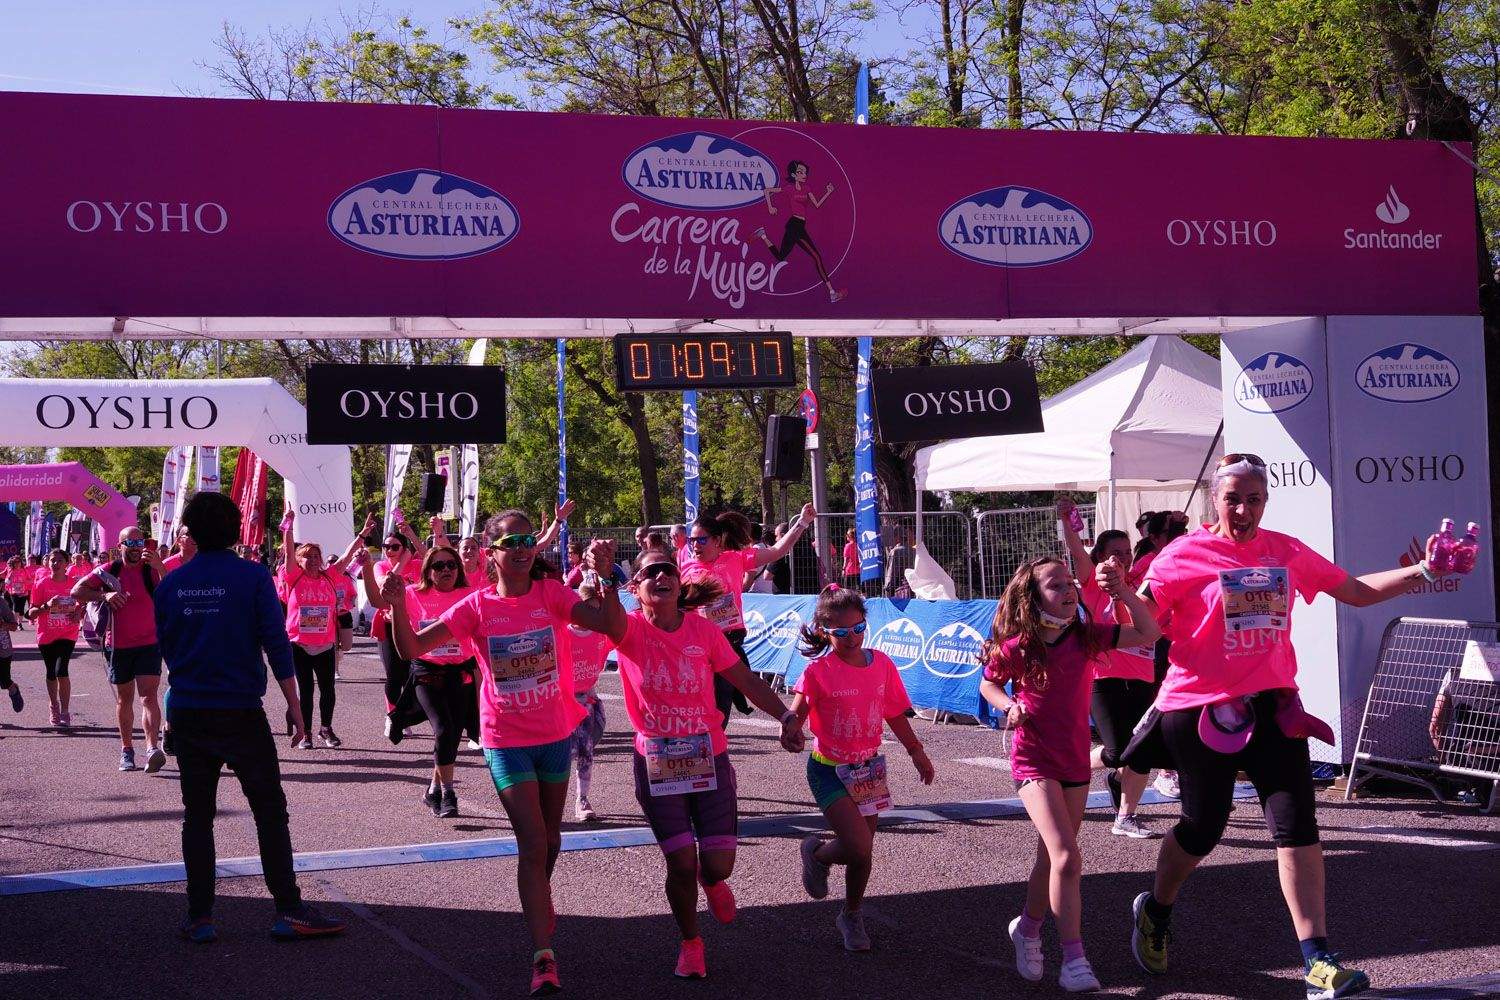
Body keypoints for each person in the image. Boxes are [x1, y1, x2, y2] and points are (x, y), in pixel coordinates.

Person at [1124, 453, 1452, 999]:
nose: (1243, 509)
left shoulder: (1284, 550)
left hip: (1275, 707)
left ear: (1265, 502)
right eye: (1232, 498)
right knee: (1204, 827)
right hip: (1199, 707)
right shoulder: (1184, 554)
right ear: (1214, 500)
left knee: (1297, 827)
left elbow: (1356, 590)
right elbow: (1146, 627)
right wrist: (1120, 597)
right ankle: (1156, 908)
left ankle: (1318, 961)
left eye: (1254, 499)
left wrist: (1424, 571)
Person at [383, 509, 618, 997]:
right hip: (506, 738)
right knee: (534, 844)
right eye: (511, 541)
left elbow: (609, 625)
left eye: (529, 539)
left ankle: (539, 898)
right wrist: (398, 605)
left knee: (551, 840)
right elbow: (412, 648)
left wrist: (604, 575)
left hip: (554, 733)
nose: (523, 548)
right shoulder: (476, 606)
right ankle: (542, 957)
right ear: (491, 553)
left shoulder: (551, 594)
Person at [593, 548, 804, 979]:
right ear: (638, 588)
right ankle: (691, 944)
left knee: (717, 864)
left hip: (708, 756)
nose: (660, 576)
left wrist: (785, 716)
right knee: (680, 863)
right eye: (649, 572)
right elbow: (610, 619)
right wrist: (605, 577)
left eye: (667, 569)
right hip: (656, 759)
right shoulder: (629, 629)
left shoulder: (704, 632)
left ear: (679, 583)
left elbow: (743, 679)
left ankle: (713, 882)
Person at [155, 491, 346, 945]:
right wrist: (296, 707)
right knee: (269, 811)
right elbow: (276, 644)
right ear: (235, 529)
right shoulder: (252, 577)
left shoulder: (170, 584)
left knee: (196, 816)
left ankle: (199, 916)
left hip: (190, 709)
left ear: (190, 532)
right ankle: (288, 909)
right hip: (241, 711)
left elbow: (168, 649)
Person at [979, 553, 1160, 992]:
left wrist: (1121, 592)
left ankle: (1027, 928)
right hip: (1033, 760)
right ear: (1033, 595)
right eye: (1055, 585)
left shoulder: (1086, 636)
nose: (1068, 591)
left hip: (1075, 760)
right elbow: (989, 683)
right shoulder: (1017, 645)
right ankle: (1074, 959)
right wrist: (1009, 706)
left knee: (1052, 856)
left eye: (1070, 584)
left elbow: (1149, 632)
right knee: (1066, 857)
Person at [791, 587, 933, 951]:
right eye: (840, 633)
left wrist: (916, 750)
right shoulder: (817, 672)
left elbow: (894, 714)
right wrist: (788, 731)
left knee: (863, 852)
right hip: (828, 770)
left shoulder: (881, 664)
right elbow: (795, 717)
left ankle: (851, 915)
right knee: (858, 844)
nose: (851, 638)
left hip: (869, 770)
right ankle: (818, 854)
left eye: (858, 628)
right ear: (825, 632)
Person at [1056, 499, 1159, 838]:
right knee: (1117, 751)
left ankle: (1125, 817)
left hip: (1143, 675)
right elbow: (1076, 551)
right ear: (1100, 556)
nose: (1123, 558)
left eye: (1127, 551)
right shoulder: (1092, 583)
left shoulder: (1140, 580)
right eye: (1115, 552)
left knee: (1141, 751)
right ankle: (1069, 767)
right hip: (1105, 677)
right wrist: (1067, 523)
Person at [681, 506, 817, 731]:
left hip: (729, 640)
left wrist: (802, 523)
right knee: (702, 699)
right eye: (691, 540)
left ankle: (714, 744)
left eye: (701, 540)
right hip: (700, 643)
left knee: (723, 697)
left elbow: (776, 551)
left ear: (716, 540)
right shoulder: (685, 567)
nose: (695, 545)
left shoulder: (735, 559)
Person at [366, 546, 477, 818]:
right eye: (439, 566)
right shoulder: (414, 594)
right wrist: (368, 568)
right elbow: (377, 601)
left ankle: (432, 789)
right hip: (427, 672)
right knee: (443, 729)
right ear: (428, 571)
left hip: (461, 672)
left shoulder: (470, 596)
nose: (447, 570)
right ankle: (449, 793)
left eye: (451, 565)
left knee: (451, 733)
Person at [72, 527, 168, 773]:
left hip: (149, 643)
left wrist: (160, 566)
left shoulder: (151, 570)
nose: (137, 546)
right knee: (125, 699)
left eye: (140, 541)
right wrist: (104, 596)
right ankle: (127, 750)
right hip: (118, 646)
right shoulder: (109, 571)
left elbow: (172, 593)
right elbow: (77, 591)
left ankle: (151, 748)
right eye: (131, 542)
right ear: (121, 545)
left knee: (149, 697)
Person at [279, 511, 348, 750]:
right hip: (299, 644)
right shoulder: (294, 577)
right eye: (307, 557)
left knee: (328, 689)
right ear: (299, 561)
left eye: (316, 556)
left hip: (326, 644)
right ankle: (306, 731)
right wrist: (288, 526)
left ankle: (325, 729)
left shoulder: (329, 577)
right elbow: (288, 551)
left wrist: (363, 535)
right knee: (306, 691)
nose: (313, 560)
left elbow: (346, 559)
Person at [364, 509, 428, 743]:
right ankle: (392, 715)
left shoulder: (418, 564)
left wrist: (411, 536)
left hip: (415, 628)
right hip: (389, 627)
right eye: (386, 547)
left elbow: (432, 556)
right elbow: (386, 585)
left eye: (394, 547)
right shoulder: (381, 566)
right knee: (394, 675)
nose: (388, 550)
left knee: (415, 673)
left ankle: (408, 713)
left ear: (403, 548)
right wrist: (402, 561)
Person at [752, 159, 845, 303]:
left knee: (781, 256)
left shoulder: (807, 188)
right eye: (800, 172)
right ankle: (832, 293)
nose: (804, 174)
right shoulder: (789, 188)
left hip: (798, 226)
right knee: (816, 257)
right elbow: (767, 190)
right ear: (794, 174)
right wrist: (770, 207)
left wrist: (828, 193)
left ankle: (763, 235)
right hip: (795, 225)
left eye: (805, 172)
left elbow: (817, 205)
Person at [567, 579, 611, 822]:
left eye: (597, 609)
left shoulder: (601, 635)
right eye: (588, 609)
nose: (592, 615)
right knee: (562, 756)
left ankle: (582, 799)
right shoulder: (563, 633)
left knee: (586, 752)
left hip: (588, 703)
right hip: (562, 704)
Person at [29, 549, 84, 728]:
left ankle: (65, 711)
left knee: (62, 670)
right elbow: (31, 613)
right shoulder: (41, 584)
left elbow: (82, 605)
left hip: (68, 633)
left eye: (60, 560)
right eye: (53, 560)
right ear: (48, 563)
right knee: (51, 671)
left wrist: (78, 613)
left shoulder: (75, 584)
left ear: (66, 563)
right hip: (46, 634)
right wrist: (47, 605)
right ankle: (54, 706)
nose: (56, 563)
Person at [0, 596, 22, 714]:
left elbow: (14, 626)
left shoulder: (1, 602)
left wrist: (3, 625)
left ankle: (13, 689)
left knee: (4, 681)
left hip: (2, 649)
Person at [884, 527, 916, 599]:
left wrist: (887, 587)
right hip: (913, 587)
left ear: (897, 537)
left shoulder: (895, 551)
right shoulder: (914, 551)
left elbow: (891, 573)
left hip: (899, 589)